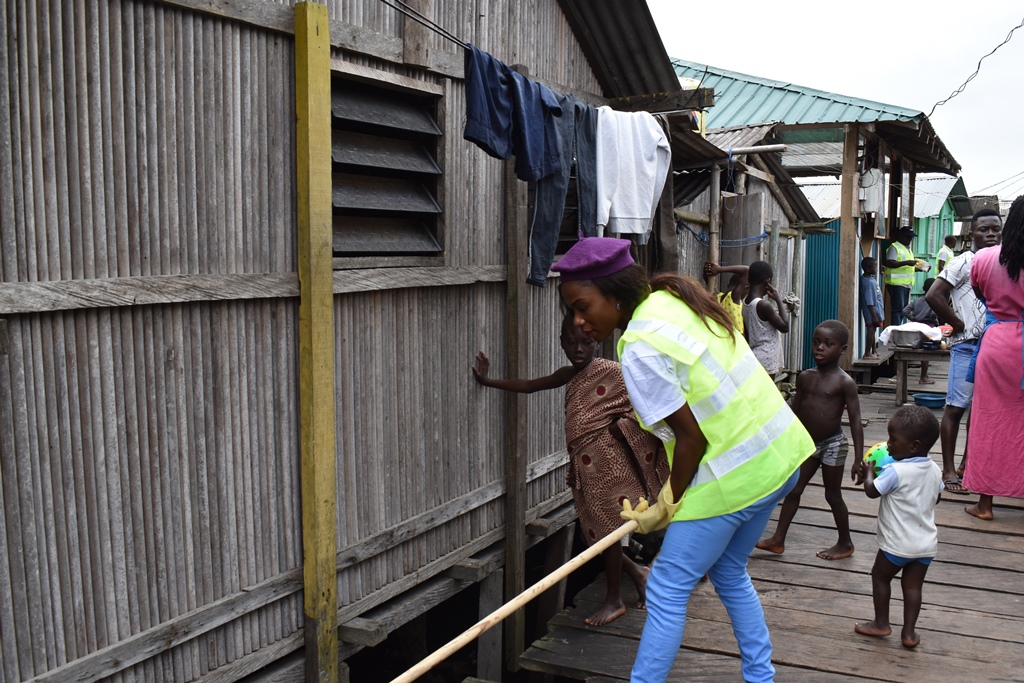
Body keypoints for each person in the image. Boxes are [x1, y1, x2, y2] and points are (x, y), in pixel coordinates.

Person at [552, 237, 813, 683]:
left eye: (582, 306)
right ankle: (760, 677)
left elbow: (690, 440)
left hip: (734, 478)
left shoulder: (637, 346)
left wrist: (666, 506)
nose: (579, 322)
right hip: (781, 456)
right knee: (729, 572)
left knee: (667, 586)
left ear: (614, 295)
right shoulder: (672, 300)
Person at [472, 313, 669, 625]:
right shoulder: (568, 374)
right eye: (572, 343)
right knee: (600, 532)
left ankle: (614, 599)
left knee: (610, 532)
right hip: (586, 467)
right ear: (562, 343)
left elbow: (647, 403)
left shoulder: (613, 371)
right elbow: (529, 386)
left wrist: (623, 427)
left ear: (598, 343)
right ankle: (640, 573)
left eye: (586, 343)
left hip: (611, 466)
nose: (579, 349)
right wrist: (488, 380)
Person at [755, 320, 863, 561]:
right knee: (793, 489)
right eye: (816, 343)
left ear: (842, 349)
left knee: (832, 494)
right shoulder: (805, 377)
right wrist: (786, 441)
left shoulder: (844, 382)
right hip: (806, 443)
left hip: (833, 443)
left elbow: (855, 420)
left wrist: (858, 458)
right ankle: (778, 540)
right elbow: (795, 412)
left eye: (828, 344)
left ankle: (845, 542)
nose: (820, 348)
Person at [925, 208, 1002, 495]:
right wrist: (956, 322)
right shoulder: (963, 262)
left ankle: (968, 464)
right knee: (956, 407)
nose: (991, 234)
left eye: (996, 229)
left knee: (981, 410)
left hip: (995, 346)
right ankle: (948, 469)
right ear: (972, 234)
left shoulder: (1003, 260)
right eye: (984, 229)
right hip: (967, 346)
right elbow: (934, 294)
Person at [852, 405, 942, 649]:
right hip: (925, 545)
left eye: (893, 439)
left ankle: (881, 623)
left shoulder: (895, 471)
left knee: (880, 577)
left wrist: (869, 473)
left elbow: (872, 491)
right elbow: (937, 496)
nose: (888, 444)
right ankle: (909, 633)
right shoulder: (934, 469)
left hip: (897, 545)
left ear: (913, 445)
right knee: (913, 587)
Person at [963, 195, 1024, 521]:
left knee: (990, 421)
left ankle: (985, 505)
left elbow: (981, 294)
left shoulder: (985, 258)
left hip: (997, 343)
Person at [743, 260, 789, 378]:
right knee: (767, 394)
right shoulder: (763, 305)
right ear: (767, 282)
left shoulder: (745, 302)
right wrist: (778, 299)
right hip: (767, 357)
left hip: (754, 355)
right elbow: (785, 327)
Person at [903, 278, 938, 385]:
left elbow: (905, 310)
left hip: (917, 327)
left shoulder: (917, 300)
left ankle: (922, 376)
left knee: (915, 350)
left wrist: (913, 318)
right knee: (925, 353)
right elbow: (933, 315)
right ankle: (923, 377)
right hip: (928, 327)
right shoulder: (933, 300)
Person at [703, 262, 749, 335]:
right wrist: (719, 269)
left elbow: (711, 286)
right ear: (745, 288)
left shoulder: (719, 297)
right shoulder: (734, 298)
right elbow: (746, 270)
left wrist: (708, 272)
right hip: (736, 338)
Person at [884, 226, 918, 326]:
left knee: (904, 309)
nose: (909, 240)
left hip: (906, 283)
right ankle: (896, 330)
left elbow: (907, 268)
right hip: (896, 283)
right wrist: (907, 262)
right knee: (897, 309)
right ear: (901, 236)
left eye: (911, 238)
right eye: (908, 237)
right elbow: (890, 263)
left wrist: (918, 269)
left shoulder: (907, 249)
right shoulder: (894, 247)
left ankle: (900, 328)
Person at [859, 257, 885, 359]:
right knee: (871, 330)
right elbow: (870, 301)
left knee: (873, 330)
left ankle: (873, 351)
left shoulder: (870, 279)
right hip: (873, 311)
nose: (876, 268)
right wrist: (874, 315)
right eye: (874, 266)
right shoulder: (868, 283)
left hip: (876, 310)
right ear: (868, 269)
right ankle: (867, 353)